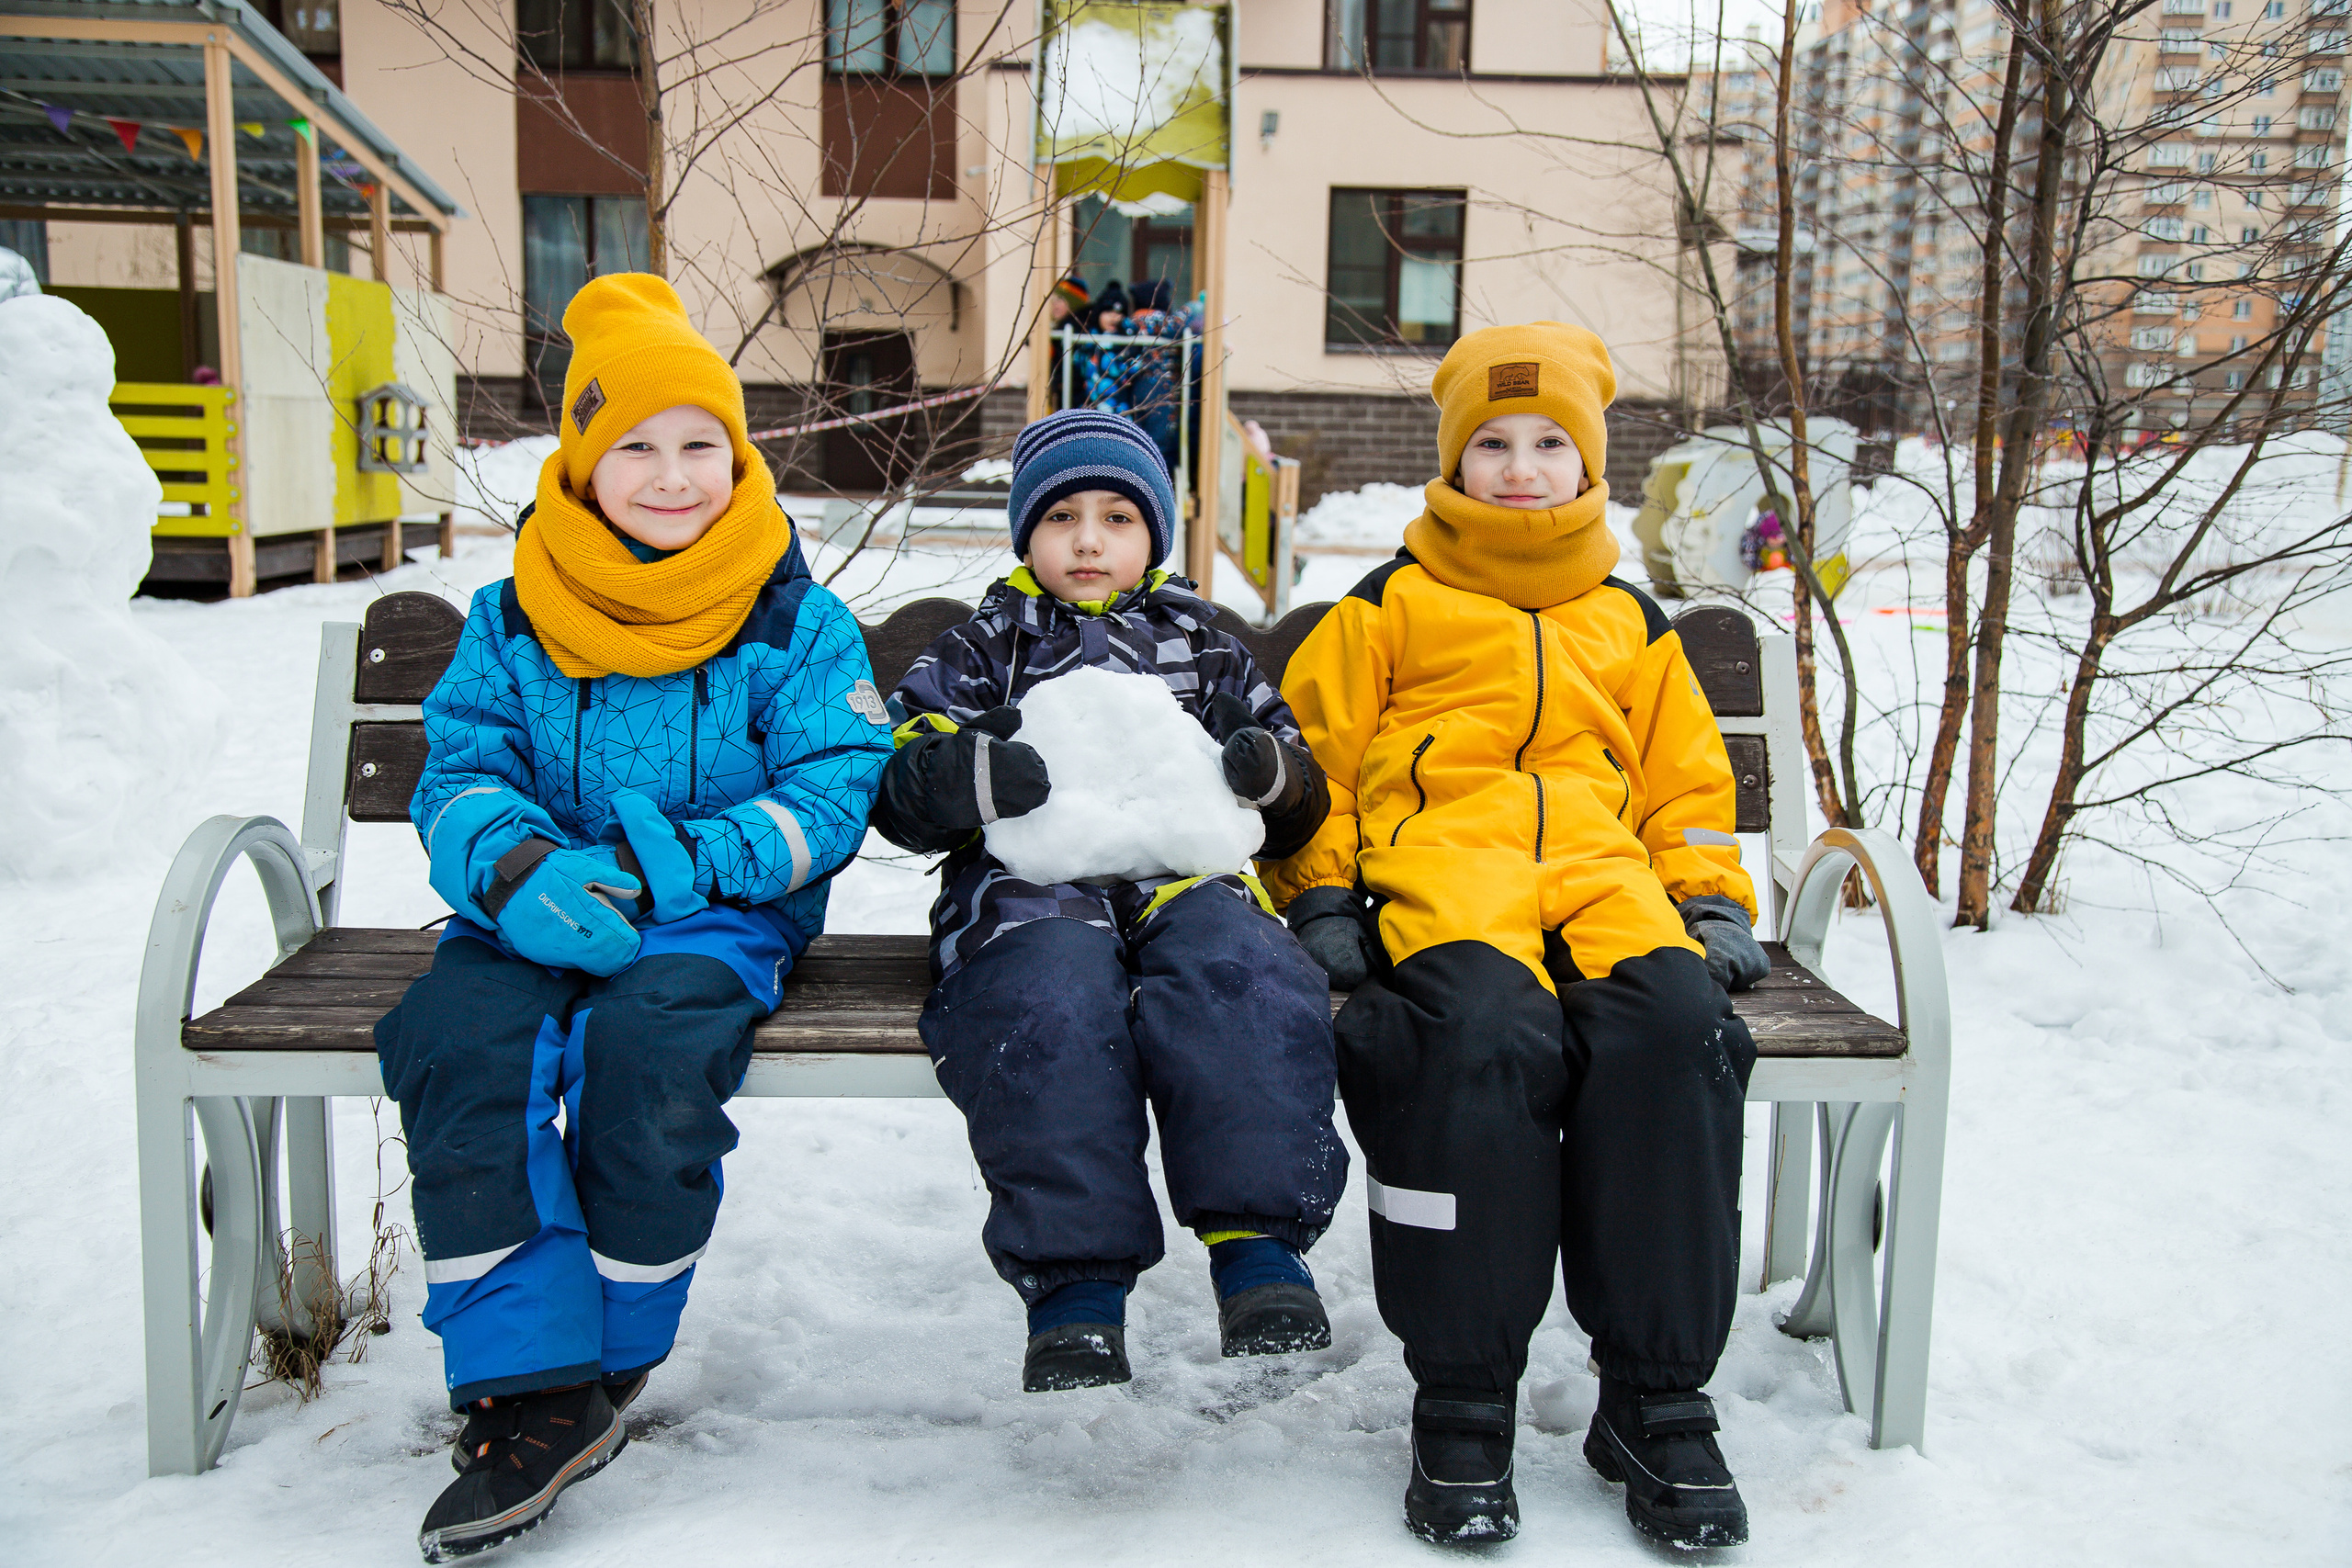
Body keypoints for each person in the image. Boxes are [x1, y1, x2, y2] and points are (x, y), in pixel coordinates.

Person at [375, 275, 892, 1562]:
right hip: (531, 910)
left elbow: (835, 784)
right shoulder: (513, 613)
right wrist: (515, 869)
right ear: (584, 464)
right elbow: (460, 766)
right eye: (637, 448)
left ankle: (597, 1359)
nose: (672, 476)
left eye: (699, 444)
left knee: (651, 1054)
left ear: (738, 452)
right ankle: (527, 1375)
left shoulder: (791, 615)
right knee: (460, 1045)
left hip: (715, 914)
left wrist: (690, 866)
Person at [1267, 322, 1770, 1551]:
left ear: (1590, 461)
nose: (1521, 465)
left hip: (1606, 883)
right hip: (1447, 880)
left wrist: (1706, 895)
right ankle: (1464, 1392)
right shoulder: (1387, 603)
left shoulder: (1627, 618)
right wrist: (1324, 896)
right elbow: (1310, 765)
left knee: (1677, 1034)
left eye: (1551, 441)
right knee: (1472, 1045)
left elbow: (1682, 781)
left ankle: (1656, 1395)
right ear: (1454, 455)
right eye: (1492, 441)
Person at [869, 408, 1350, 1394]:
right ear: (1025, 534)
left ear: (1153, 537)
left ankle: (1257, 1247)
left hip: (1185, 874)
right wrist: (964, 778)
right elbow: (901, 776)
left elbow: (1294, 782)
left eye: (1118, 517)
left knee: (1245, 974)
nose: (1088, 540)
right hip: (1028, 886)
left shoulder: (1201, 646)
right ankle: (1076, 1288)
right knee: (1046, 998)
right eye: (1062, 518)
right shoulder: (982, 648)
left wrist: (1270, 779)